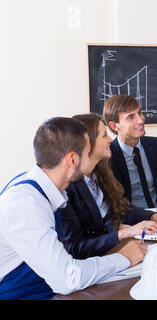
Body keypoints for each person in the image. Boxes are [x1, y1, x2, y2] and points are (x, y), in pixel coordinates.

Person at [0, 117, 145, 300]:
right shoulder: (26, 206)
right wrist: (124, 257)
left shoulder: (46, 187)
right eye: (87, 152)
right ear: (73, 159)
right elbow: (67, 278)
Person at [59, 113, 157, 259]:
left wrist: (153, 216)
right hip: (96, 263)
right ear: (88, 143)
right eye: (104, 136)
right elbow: (74, 248)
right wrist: (121, 234)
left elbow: (120, 209)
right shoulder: (66, 188)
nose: (111, 139)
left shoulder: (99, 173)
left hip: (113, 250)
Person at [103, 94, 157, 210]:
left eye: (139, 113)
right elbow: (115, 204)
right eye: (131, 117)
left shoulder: (154, 145)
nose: (141, 120)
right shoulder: (108, 156)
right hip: (132, 220)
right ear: (114, 126)